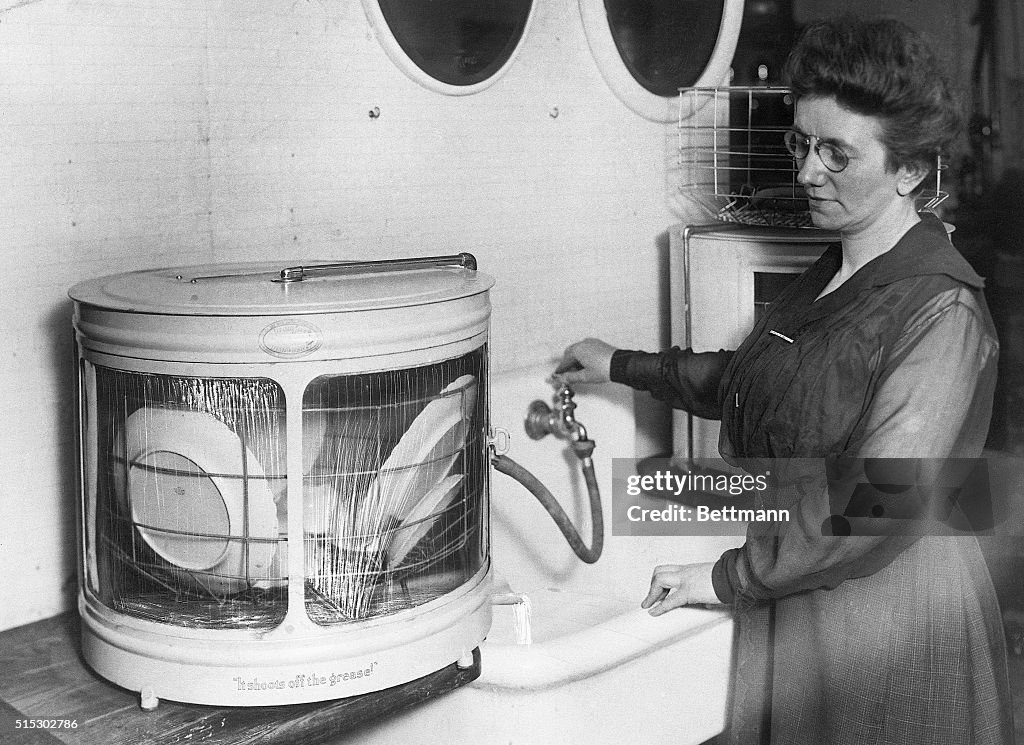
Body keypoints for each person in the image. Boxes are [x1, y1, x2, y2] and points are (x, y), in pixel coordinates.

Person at [556, 16, 1014, 745]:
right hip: (805, 579)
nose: (806, 173)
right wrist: (621, 365)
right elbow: (755, 379)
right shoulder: (837, 269)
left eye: (837, 152)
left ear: (910, 169)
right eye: (802, 144)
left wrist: (725, 577)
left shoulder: (943, 308)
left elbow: (880, 494)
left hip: (885, 614)